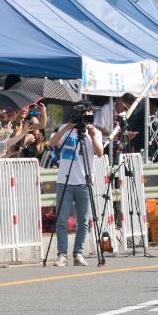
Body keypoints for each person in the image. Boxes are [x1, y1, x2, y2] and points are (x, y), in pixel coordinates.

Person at [47, 108, 104, 267]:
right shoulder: (65, 128)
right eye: (81, 115)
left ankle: (78, 253)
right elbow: (52, 143)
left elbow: (100, 153)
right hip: (64, 181)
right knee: (62, 219)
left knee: (83, 221)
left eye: (87, 116)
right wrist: (67, 127)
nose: (83, 119)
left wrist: (92, 136)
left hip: (84, 181)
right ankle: (62, 254)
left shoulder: (94, 131)